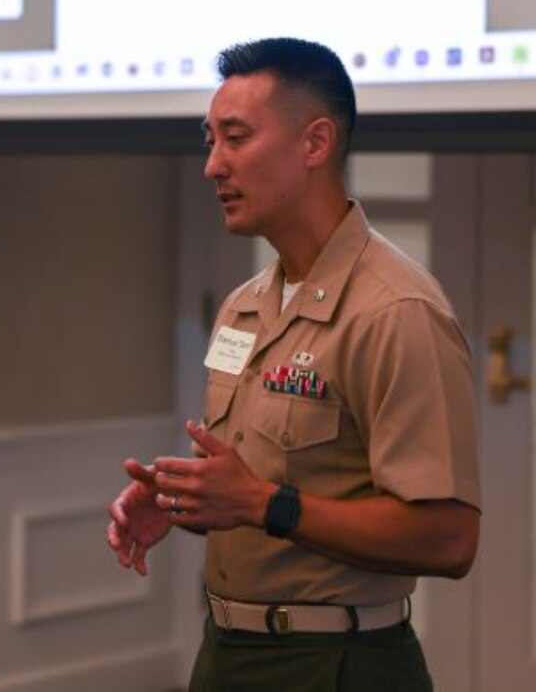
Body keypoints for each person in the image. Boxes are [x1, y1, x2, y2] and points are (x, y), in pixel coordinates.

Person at [105, 37, 481, 691]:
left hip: (339, 665)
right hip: (227, 651)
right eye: (210, 141)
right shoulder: (243, 308)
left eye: (236, 138)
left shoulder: (396, 310)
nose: (212, 166)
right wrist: (184, 499)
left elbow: (448, 539)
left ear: (315, 143)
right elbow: (262, 484)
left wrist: (262, 504)